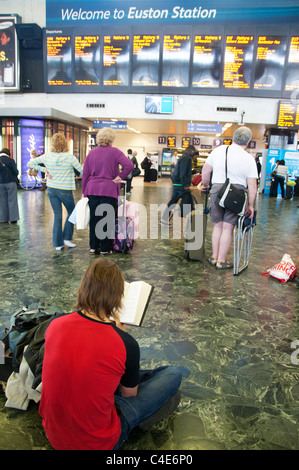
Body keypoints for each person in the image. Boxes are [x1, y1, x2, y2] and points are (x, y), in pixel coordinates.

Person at [39, 258, 189, 450]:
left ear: (84, 286)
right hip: (97, 442)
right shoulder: (125, 343)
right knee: (172, 375)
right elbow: (129, 395)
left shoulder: (55, 324)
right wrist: (120, 335)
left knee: (110, 370)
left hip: (54, 433)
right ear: (119, 297)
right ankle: (139, 419)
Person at [201, 126, 258, 269]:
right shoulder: (249, 159)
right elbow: (252, 185)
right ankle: (221, 261)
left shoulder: (218, 150)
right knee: (228, 228)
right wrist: (250, 205)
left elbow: (206, 170)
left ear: (233, 137)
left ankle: (214, 257)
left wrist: (205, 185)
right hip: (236, 194)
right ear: (248, 141)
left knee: (217, 226)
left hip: (217, 190)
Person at [82, 127, 133, 254]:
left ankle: (93, 247)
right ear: (111, 139)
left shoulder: (91, 153)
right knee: (107, 219)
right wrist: (120, 177)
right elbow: (129, 165)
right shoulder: (115, 152)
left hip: (92, 189)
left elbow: (85, 174)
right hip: (108, 190)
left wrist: (84, 192)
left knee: (94, 219)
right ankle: (105, 248)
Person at [27, 133, 83, 251]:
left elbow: (30, 163)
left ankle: (58, 244)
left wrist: (44, 169)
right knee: (72, 213)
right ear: (65, 144)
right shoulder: (70, 157)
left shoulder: (47, 156)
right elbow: (82, 171)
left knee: (57, 215)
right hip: (65, 190)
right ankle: (67, 237)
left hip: (51, 189)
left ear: (52, 144)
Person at [160, 145, 197, 225]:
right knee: (184, 202)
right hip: (180, 185)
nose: (194, 154)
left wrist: (193, 172)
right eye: (193, 151)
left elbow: (184, 171)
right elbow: (182, 173)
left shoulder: (184, 158)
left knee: (174, 202)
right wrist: (186, 185)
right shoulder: (185, 158)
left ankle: (164, 219)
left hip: (178, 184)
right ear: (190, 150)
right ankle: (193, 222)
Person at [0, 148, 19, 224]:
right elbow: (16, 172)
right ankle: (13, 219)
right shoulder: (11, 160)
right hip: (11, 182)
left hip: (0, 183)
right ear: (8, 154)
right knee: (12, 200)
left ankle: (3, 219)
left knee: (2, 201)